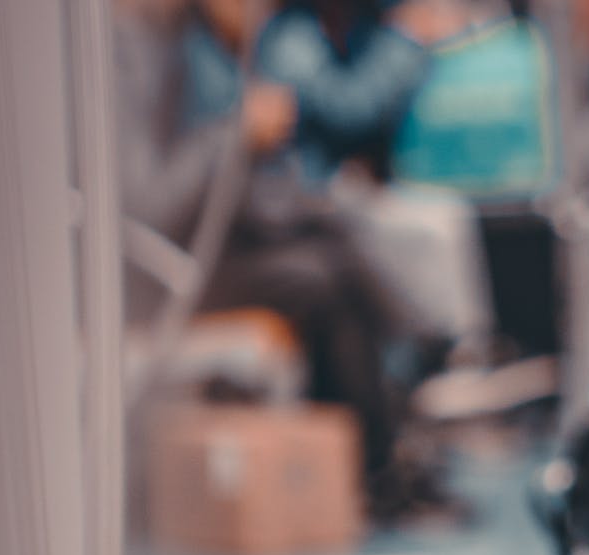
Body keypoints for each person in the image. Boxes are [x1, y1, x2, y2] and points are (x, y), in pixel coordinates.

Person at [115, 0, 442, 519]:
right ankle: (380, 458)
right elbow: (151, 206)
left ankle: (397, 428)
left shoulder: (241, 49)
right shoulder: (142, 61)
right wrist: (235, 134)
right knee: (319, 279)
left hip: (228, 246)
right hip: (163, 270)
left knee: (337, 251)